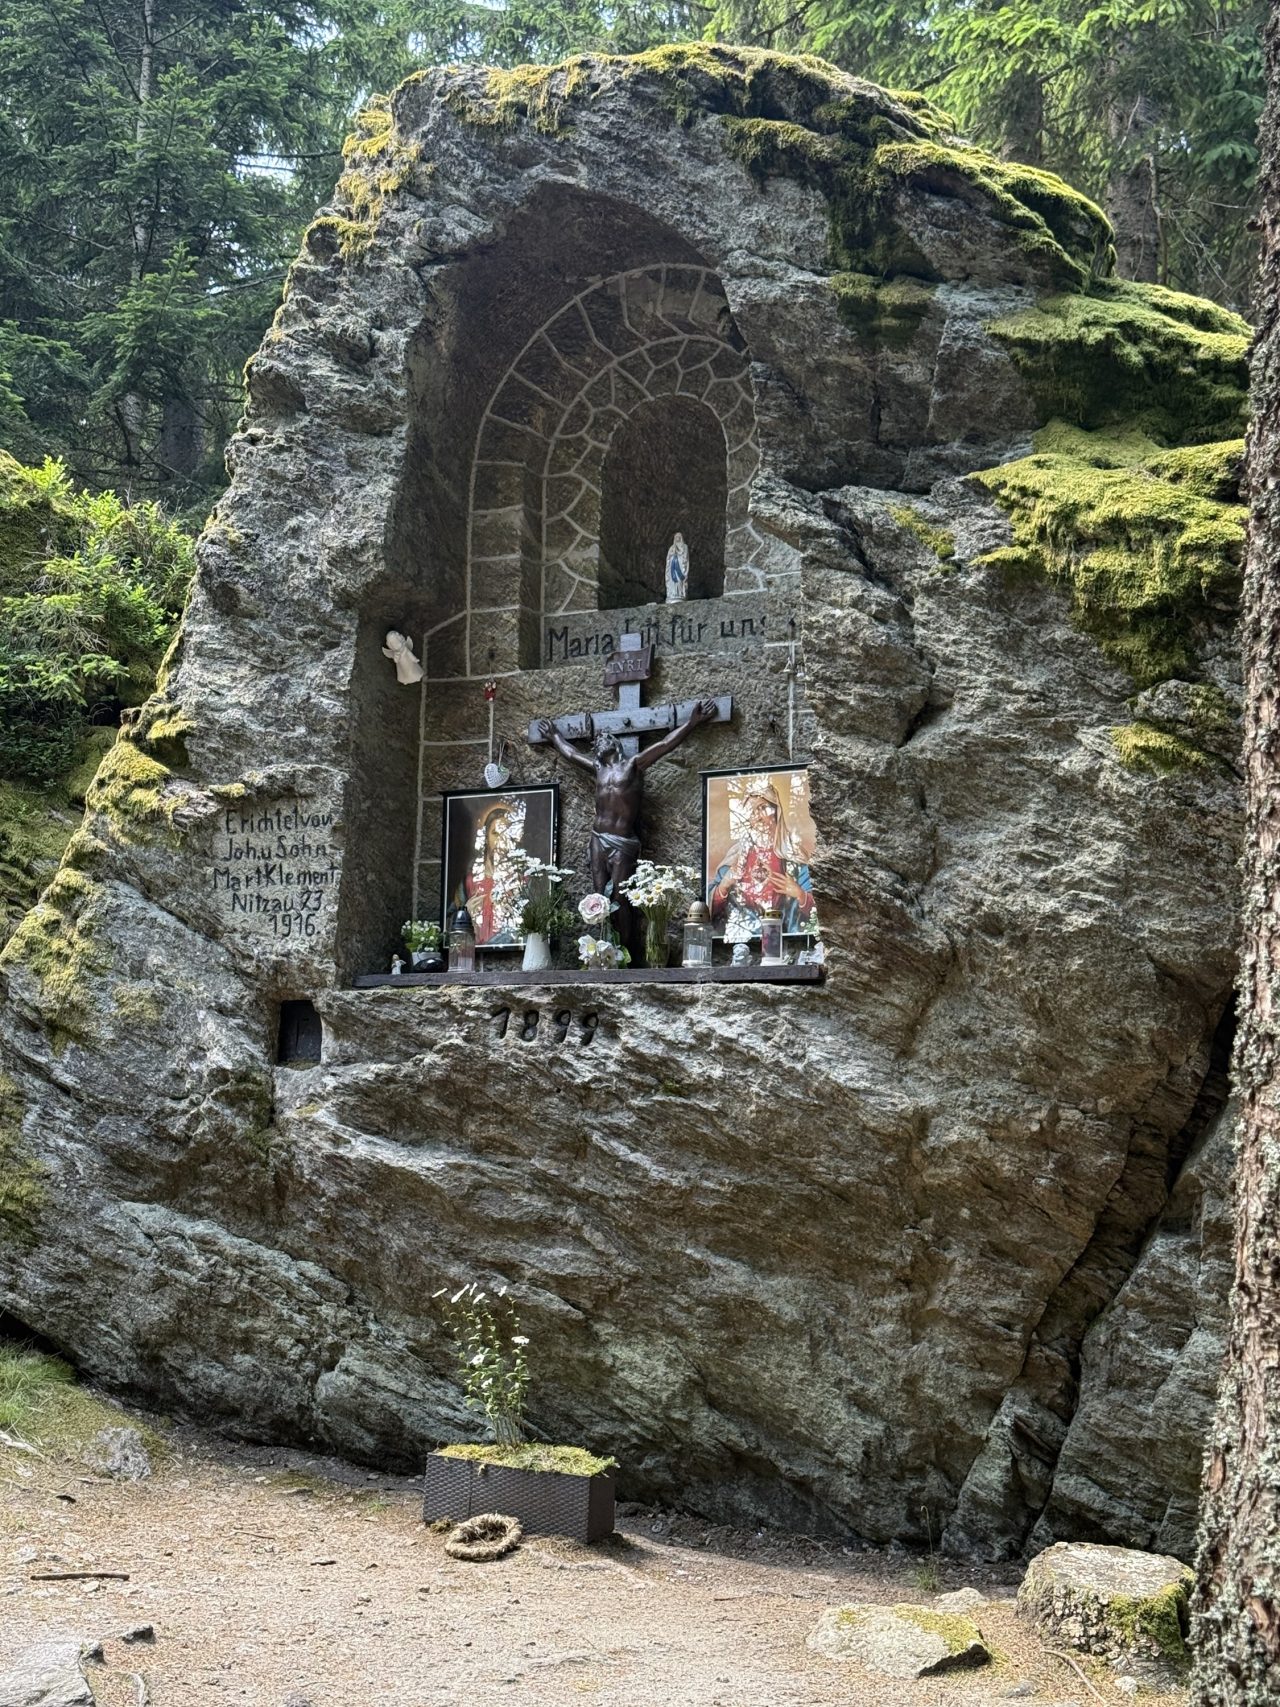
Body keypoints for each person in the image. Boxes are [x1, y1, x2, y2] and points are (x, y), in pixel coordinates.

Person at [533, 699, 718, 963]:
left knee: (620, 899)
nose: (600, 743)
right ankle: (604, 952)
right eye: (598, 742)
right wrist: (554, 737)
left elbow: (665, 744)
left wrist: (692, 722)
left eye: (605, 739)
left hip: (622, 841)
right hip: (598, 838)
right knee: (599, 898)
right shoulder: (599, 768)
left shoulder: (633, 765)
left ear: (616, 744)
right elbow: (572, 754)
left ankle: (623, 956)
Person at [709, 780, 813, 936]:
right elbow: (708, 910)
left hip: (786, 938)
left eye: (763, 808)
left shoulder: (794, 858)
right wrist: (723, 887)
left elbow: (821, 910)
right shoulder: (735, 858)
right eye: (751, 812)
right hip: (742, 936)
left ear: (776, 812)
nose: (758, 817)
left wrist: (800, 895)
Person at [456, 799, 525, 945]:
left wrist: (516, 914)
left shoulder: (521, 880)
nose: (500, 840)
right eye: (495, 833)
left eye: (505, 834)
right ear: (486, 837)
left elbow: (532, 924)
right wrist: (465, 912)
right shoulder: (469, 881)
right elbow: (450, 923)